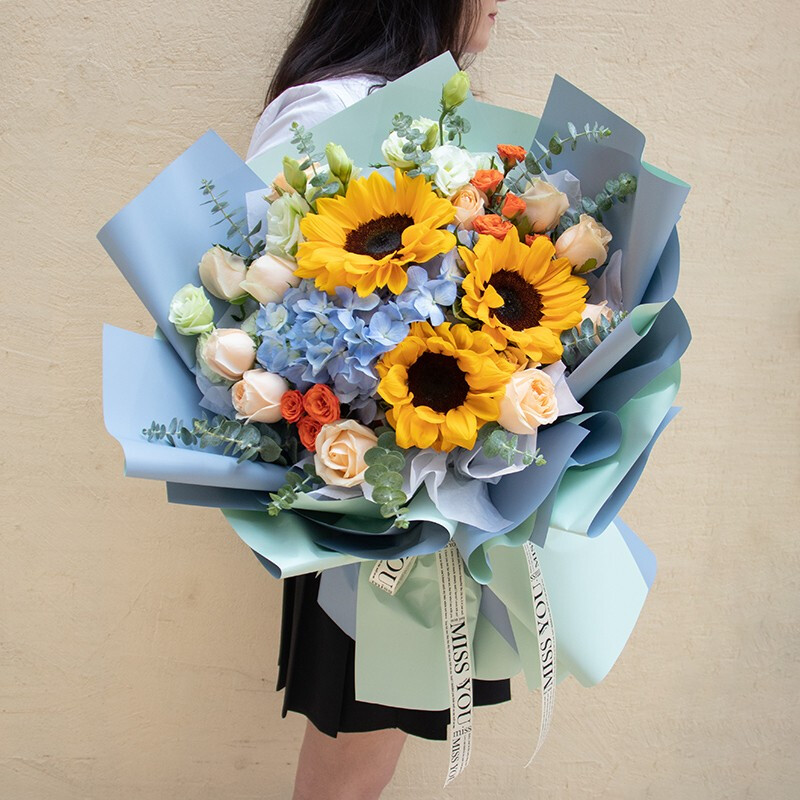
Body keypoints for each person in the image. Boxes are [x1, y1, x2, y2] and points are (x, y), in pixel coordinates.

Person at [247, 2, 506, 797]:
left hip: (419, 491)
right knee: (349, 768)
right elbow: (267, 303)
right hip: (366, 502)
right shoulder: (330, 111)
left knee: (368, 753)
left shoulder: (420, 109)